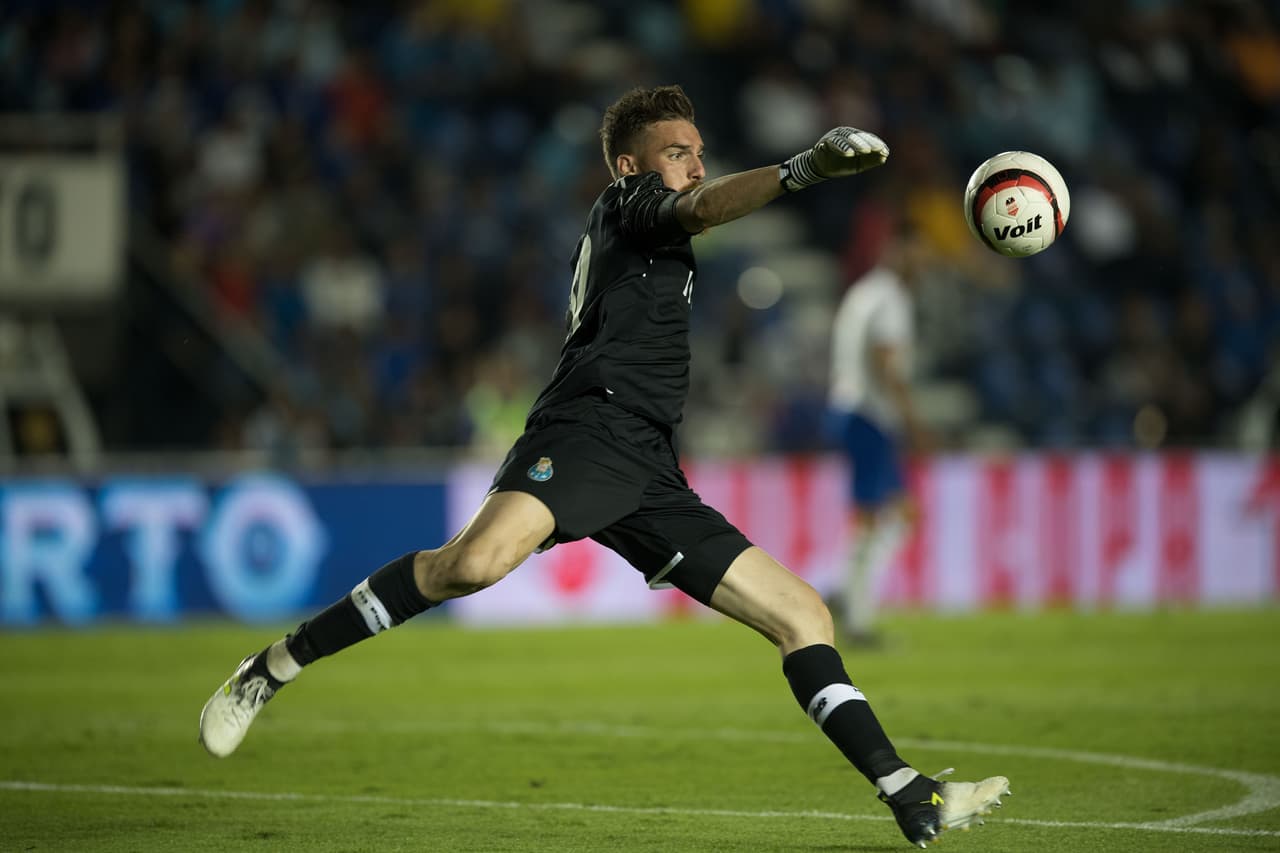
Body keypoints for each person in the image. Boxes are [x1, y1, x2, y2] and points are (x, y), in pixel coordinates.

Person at [199, 85, 1009, 848]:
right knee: (469, 566)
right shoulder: (630, 206)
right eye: (676, 151)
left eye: (699, 148)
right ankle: (270, 669)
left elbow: (692, 208)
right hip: (587, 429)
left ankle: (910, 791)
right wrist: (802, 170)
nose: (694, 162)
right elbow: (699, 204)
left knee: (805, 616)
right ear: (630, 166)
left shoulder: (653, 225)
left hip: (650, 462)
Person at [827, 220, 931, 647]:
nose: (924, 263)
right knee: (886, 516)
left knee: (885, 516)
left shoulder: (865, 291)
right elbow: (886, 361)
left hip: (851, 410)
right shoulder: (890, 298)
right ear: (898, 252)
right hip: (871, 415)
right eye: (917, 253)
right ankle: (856, 617)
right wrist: (913, 421)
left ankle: (845, 594)